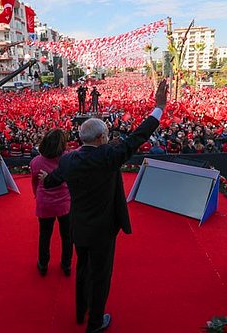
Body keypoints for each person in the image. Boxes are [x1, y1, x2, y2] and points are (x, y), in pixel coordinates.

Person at [39, 80, 168, 333]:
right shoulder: (109, 156)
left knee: (82, 270)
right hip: (103, 231)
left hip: (79, 227)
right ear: (100, 138)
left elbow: (52, 182)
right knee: (100, 276)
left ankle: (80, 313)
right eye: (107, 134)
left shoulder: (68, 160)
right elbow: (137, 136)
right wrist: (159, 108)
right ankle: (95, 323)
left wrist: (46, 180)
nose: (109, 137)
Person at [30, 129, 72, 277]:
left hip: (45, 203)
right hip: (65, 204)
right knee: (67, 236)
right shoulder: (68, 159)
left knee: (45, 235)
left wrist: (37, 195)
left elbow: (34, 182)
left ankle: (43, 264)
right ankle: (66, 265)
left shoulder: (36, 162)